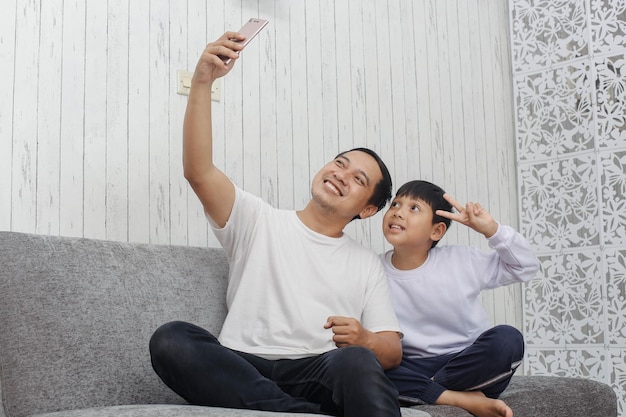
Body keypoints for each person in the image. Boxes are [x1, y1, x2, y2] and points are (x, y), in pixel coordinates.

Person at [148, 30, 403, 417]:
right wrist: (203, 79)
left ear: (367, 210)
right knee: (171, 339)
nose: (340, 174)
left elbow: (391, 351)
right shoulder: (258, 219)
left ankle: (283, 410)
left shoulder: (366, 263)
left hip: (317, 369)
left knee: (356, 362)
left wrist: (366, 339)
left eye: (358, 180)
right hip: (242, 364)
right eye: (340, 163)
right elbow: (198, 171)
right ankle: (295, 413)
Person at [380, 180, 539, 417]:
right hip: (411, 366)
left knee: (508, 339)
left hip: (467, 362)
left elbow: (525, 267)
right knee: (360, 365)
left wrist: (491, 229)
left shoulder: (460, 260)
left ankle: (428, 390)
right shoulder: (373, 270)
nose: (398, 212)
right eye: (395, 204)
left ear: (436, 231)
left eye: (414, 208)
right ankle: (456, 397)